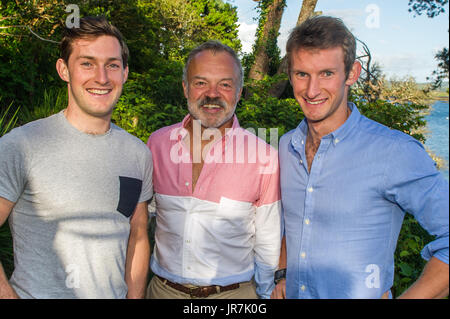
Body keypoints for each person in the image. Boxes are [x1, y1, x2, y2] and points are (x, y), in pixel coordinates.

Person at [272, 16, 449, 299]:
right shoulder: (285, 146)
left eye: (327, 73)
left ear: (352, 73)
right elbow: (290, 221)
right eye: (302, 74)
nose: (311, 90)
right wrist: (282, 274)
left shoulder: (394, 152)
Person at [0, 16, 153, 299]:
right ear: (64, 69)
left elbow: (138, 236)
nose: (102, 77)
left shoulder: (137, 153)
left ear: (125, 73)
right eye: (87, 63)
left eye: (112, 65)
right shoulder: (21, 145)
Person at [146, 40, 281, 299]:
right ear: (185, 88)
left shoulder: (264, 157)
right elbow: (141, 223)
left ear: (239, 93)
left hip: (233, 296)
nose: (212, 94)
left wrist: (265, 295)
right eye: (200, 83)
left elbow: (268, 242)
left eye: (225, 85)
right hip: (162, 292)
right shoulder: (157, 144)